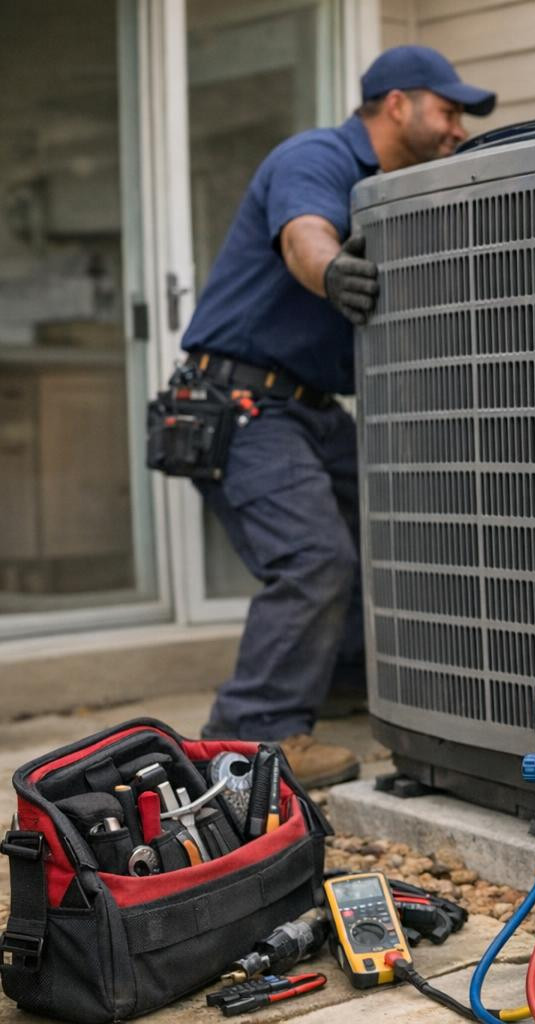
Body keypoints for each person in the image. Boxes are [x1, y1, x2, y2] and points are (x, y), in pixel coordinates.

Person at [176, 46, 495, 788]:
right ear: (397, 105)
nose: (456, 129)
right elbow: (302, 236)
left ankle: (342, 677)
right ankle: (253, 736)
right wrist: (332, 270)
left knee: (404, 526)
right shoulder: (316, 156)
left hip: (315, 413)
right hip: (245, 403)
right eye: (447, 111)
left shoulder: (399, 191)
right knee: (313, 557)